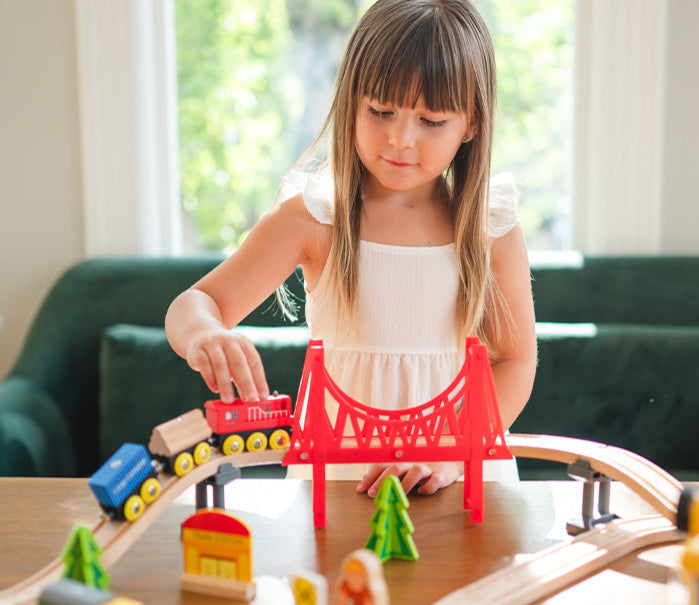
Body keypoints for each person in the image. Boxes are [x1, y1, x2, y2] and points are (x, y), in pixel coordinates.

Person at [165, 0, 537, 498]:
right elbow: (195, 303)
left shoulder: (489, 227)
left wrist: (447, 452)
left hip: (459, 478)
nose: (400, 139)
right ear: (351, 101)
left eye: (431, 121)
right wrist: (204, 334)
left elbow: (515, 362)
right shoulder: (318, 217)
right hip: (340, 482)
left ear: (471, 124)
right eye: (380, 111)